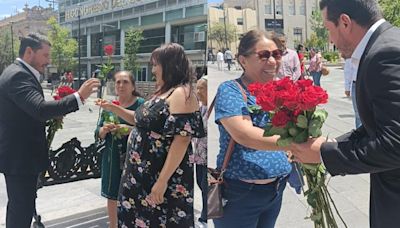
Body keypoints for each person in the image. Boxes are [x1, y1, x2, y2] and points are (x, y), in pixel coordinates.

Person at [291, 1, 400, 227]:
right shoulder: (387, 42)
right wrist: (331, 143)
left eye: (329, 30)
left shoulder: (385, 54)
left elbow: (394, 144)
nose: (330, 39)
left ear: (345, 22)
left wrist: (324, 154)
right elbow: (382, 124)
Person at [96, 43, 205, 227]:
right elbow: (141, 121)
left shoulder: (182, 93)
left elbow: (182, 140)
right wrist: (113, 108)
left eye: (156, 64)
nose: (153, 69)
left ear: (169, 65)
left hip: (158, 176)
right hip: (140, 175)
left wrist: (162, 181)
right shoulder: (163, 91)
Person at [0, 33, 100, 227]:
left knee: (21, 207)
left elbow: (26, 113)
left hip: (20, 157)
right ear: (30, 52)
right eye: (45, 55)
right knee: (21, 210)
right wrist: (78, 97)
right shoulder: (18, 75)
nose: (49, 61)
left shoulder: (18, 72)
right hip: (20, 160)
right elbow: (39, 109)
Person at [212, 30, 292, 228]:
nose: (272, 61)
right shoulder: (231, 90)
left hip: (276, 189)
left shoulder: (280, 90)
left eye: (277, 54)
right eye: (264, 55)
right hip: (240, 193)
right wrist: (296, 144)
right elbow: (244, 134)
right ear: (243, 60)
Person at [95, 71, 145, 228]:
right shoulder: (109, 106)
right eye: (118, 82)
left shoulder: (141, 105)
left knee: (136, 193)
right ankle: (113, 225)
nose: (121, 85)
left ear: (133, 86)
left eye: (125, 82)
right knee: (112, 194)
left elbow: (148, 131)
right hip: (112, 156)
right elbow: (97, 133)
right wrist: (104, 130)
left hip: (135, 157)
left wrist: (128, 129)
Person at [190, 76, 208, 227]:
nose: (198, 91)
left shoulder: (214, 108)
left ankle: (205, 217)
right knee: (201, 185)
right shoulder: (200, 107)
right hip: (199, 156)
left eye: (201, 88)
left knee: (207, 187)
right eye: (197, 88)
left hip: (209, 157)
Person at [343, 58, 361, 128]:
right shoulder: (352, 52)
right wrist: (347, 87)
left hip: (369, 82)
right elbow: (348, 70)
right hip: (356, 83)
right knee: (358, 113)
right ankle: (360, 135)